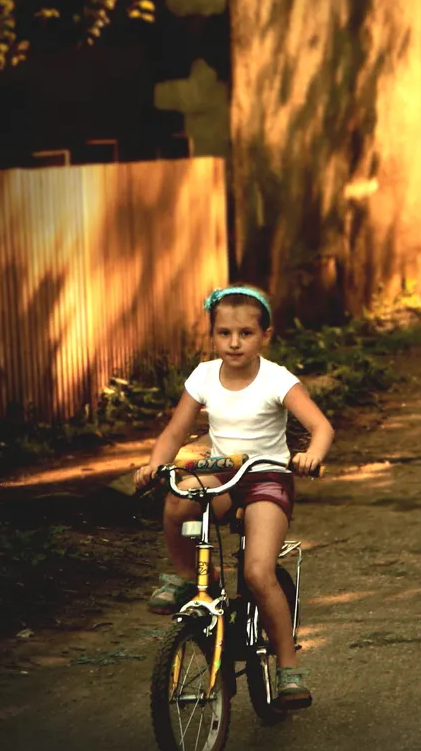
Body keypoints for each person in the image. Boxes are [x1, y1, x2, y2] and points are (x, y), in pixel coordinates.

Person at [133, 285, 334, 709]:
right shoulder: (203, 376)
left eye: (245, 333)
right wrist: (156, 464)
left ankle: (289, 668)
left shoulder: (277, 379)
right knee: (177, 497)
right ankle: (188, 577)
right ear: (212, 336)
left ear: (265, 335)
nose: (234, 342)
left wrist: (311, 456)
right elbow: (174, 431)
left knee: (259, 572)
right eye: (224, 333)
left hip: (266, 478)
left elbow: (321, 427)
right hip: (223, 472)